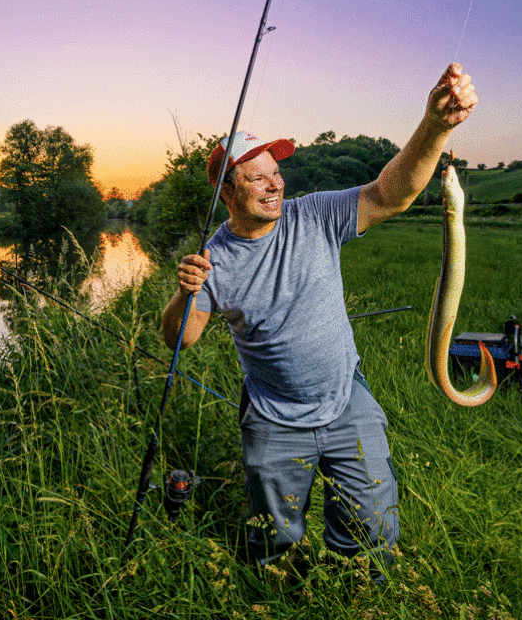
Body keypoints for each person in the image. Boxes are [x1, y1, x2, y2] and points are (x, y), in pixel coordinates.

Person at [161, 62, 478, 570]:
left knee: (372, 531)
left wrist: (436, 128)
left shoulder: (313, 215)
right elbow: (183, 337)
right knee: (273, 542)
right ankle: (281, 593)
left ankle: (361, 595)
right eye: (256, 176)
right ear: (227, 191)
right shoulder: (213, 258)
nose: (274, 184)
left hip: (345, 398)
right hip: (272, 417)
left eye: (276, 171)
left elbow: (390, 193)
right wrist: (184, 295)